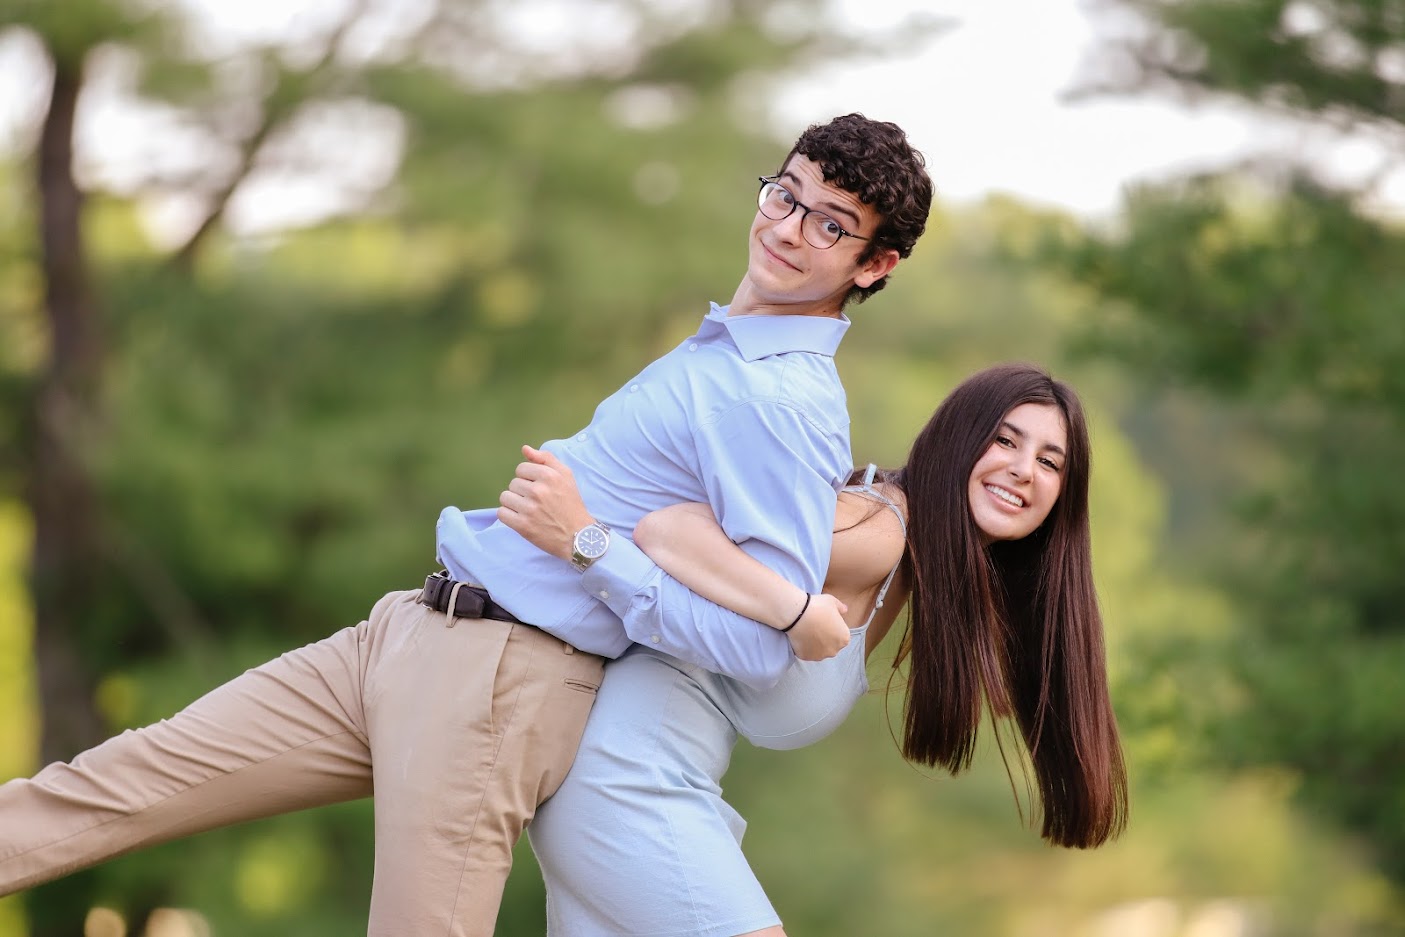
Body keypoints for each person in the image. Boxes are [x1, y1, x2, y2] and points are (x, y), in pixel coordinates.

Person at [0, 113, 934, 936]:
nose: (785, 228)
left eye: (829, 224)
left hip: (502, 677)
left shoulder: (780, 399)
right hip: (406, 631)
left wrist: (591, 546)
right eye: (785, 193)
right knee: (106, 790)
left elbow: (759, 645)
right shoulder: (723, 350)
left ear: (875, 264)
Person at [500, 363, 1129, 936]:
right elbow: (668, 529)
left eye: (1051, 462)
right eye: (1005, 440)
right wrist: (794, 611)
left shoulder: (919, 559)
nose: (1024, 468)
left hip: (654, 787)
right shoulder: (880, 530)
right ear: (957, 440)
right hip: (626, 783)